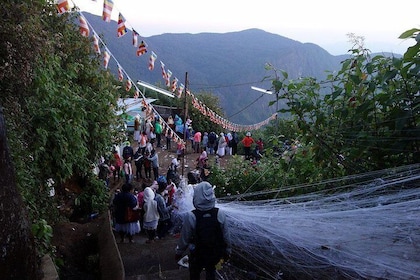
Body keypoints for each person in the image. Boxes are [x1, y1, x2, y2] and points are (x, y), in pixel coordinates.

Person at [175, 181, 231, 280]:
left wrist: (179, 252)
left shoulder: (191, 216)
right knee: (211, 272)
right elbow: (226, 235)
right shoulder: (220, 214)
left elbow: (185, 237)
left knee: (194, 273)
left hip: (197, 254)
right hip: (215, 253)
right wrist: (227, 251)